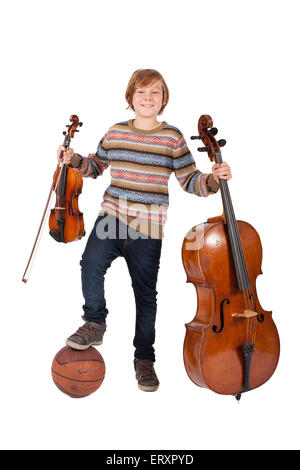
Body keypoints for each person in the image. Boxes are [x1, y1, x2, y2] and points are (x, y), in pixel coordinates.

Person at [56, 69, 232, 392]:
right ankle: (95, 321)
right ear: (131, 98)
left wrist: (212, 179)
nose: (147, 98)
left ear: (163, 99)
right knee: (90, 264)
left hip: (148, 227)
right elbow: (95, 166)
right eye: (141, 93)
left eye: (154, 93)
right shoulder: (115, 133)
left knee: (145, 295)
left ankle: (144, 359)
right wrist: (74, 159)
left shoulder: (173, 138)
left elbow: (190, 180)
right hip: (112, 217)